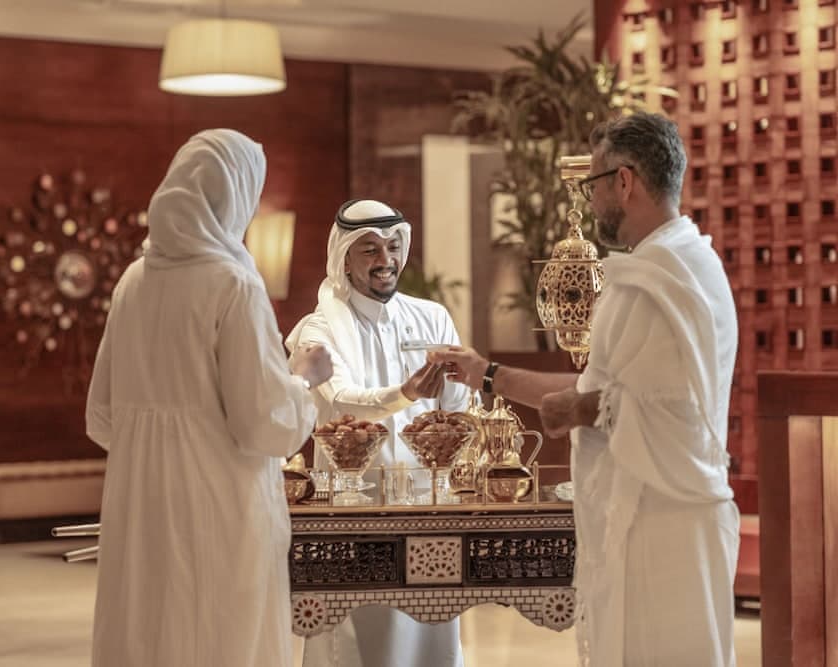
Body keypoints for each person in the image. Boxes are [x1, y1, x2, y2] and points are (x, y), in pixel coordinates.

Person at [432, 111, 740, 666]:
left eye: (594, 184)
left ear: (624, 180)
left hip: (659, 518)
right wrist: (487, 374)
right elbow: (611, 390)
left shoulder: (659, 277)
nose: (591, 200)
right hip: (664, 513)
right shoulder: (689, 264)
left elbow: (663, 406)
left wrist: (578, 409)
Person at [85, 129, 333, 667]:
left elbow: (101, 415)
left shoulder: (132, 282)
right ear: (236, 197)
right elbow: (263, 423)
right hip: (220, 501)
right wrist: (303, 378)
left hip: (139, 504)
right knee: (217, 631)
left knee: (146, 629)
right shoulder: (234, 285)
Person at [286, 198, 469, 667]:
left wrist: (460, 385)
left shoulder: (432, 318)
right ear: (344, 258)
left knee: (431, 635)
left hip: (427, 509)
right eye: (369, 249)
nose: (385, 260)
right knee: (357, 641)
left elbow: (458, 407)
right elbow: (342, 397)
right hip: (354, 512)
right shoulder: (317, 329)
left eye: (392, 246)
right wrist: (407, 392)